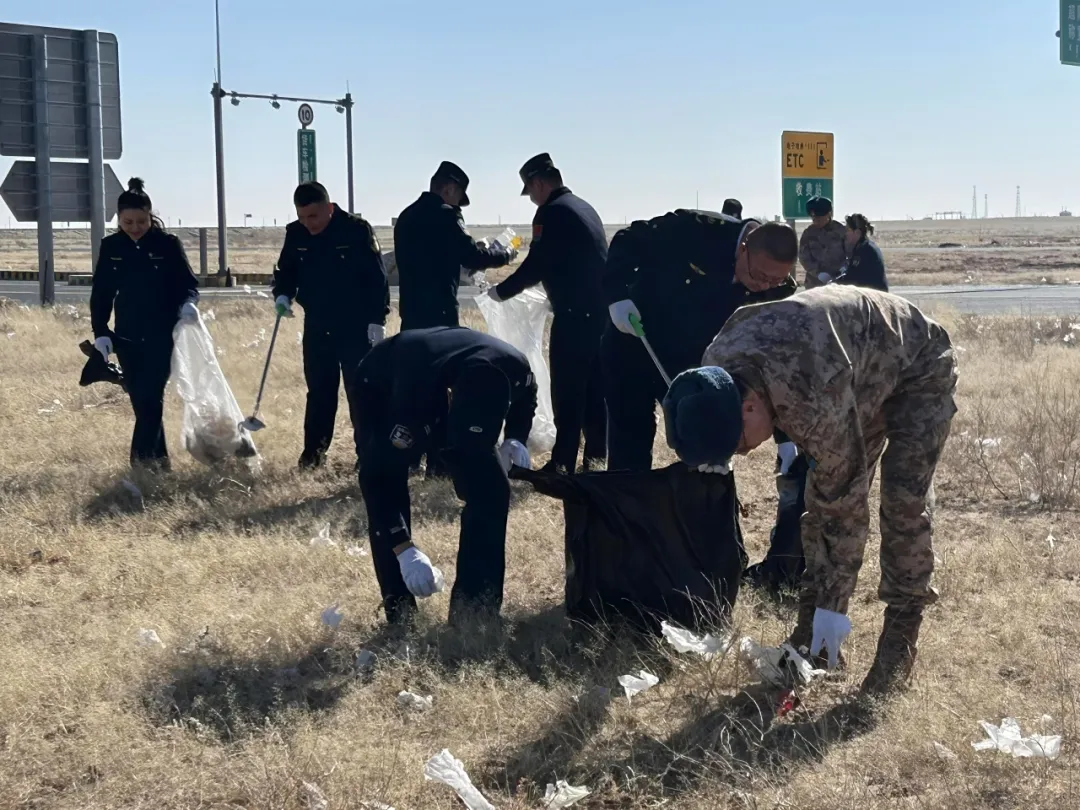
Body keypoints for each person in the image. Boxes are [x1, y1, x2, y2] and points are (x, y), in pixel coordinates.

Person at [662, 285, 958, 695]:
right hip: (854, 368)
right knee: (819, 496)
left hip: (916, 367)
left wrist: (831, 612)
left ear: (748, 407)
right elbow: (821, 495)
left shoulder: (811, 395)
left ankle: (899, 638)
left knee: (901, 504)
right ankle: (811, 637)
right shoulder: (715, 372)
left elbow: (844, 508)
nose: (745, 452)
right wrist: (815, 615)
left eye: (739, 443)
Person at [355, 327, 538, 626]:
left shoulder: (514, 368)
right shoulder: (411, 407)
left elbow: (527, 396)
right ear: (451, 402)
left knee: (492, 493)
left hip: (448, 377)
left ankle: (475, 609)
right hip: (384, 377)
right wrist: (404, 549)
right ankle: (400, 611)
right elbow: (376, 480)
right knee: (390, 478)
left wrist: (515, 437)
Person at [601, 213, 798, 471]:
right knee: (629, 443)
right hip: (635, 341)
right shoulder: (696, 230)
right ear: (743, 248)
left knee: (706, 448)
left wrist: (784, 438)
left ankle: (705, 501)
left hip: (691, 365)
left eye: (775, 280)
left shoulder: (776, 291)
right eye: (760, 275)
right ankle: (626, 505)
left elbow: (770, 359)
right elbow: (628, 240)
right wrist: (617, 296)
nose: (764, 285)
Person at [486, 153, 608, 473]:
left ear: (539, 183)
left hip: (573, 316)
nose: (532, 198)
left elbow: (537, 265)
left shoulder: (550, 213)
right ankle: (596, 456)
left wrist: (501, 291)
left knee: (567, 391)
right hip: (599, 315)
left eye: (530, 191)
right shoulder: (584, 207)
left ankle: (562, 462)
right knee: (595, 388)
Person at [273, 181, 389, 470]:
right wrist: (283, 295)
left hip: (356, 325)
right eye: (301, 217)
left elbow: (377, 279)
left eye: (313, 216)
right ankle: (313, 455)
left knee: (359, 391)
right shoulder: (296, 233)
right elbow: (286, 271)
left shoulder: (356, 230)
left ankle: (368, 456)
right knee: (320, 392)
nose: (307, 223)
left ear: (329, 207)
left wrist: (378, 320)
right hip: (318, 325)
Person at [90, 177, 199, 470]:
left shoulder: (167, 244)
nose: (135, 228)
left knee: (151, 399)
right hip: (126, 338)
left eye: (141, 221)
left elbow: (188, 284)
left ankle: (139, 468)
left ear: (151, 216)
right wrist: (101, 332)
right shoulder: (111, 246)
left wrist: (188, 305)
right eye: (128, 222)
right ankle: (161, 465)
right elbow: (101, 292)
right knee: (143, 403)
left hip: (162, 336)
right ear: (119, 219)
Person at [394, 161, 518, 331]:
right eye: (458, 199)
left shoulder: (406, 216)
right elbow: (472, 257)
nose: (458, 205)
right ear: (449, 189)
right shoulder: (446, 215)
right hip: (439, 312)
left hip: (410, 313)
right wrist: (505, 255)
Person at [798, 196, 847, 289]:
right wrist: (818, 273)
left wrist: (844, 268)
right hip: (815, 283)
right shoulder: (808, 233)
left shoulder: (841, 230)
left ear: (829, 214)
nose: (816, 221)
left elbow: (851, 251)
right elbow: (803, 257)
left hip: (839, 281)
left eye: (819, 218)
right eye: (813, 218)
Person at [834, 213, 888, 292]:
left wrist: (834, 284)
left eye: (848, 230)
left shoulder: (866, 251)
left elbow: (852, 278)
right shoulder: (863, 247)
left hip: (874, 296)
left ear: (857, 233)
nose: (846, 234)